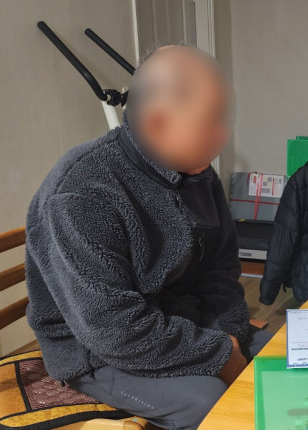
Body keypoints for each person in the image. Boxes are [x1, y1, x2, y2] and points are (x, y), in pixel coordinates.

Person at [25, 46, 271, 430]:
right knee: (210, 402)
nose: (223, 136)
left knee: (280, 358)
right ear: (157, 122)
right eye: (211, 122)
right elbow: (112, 329)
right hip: (98, 350)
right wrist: (220, 355)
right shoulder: (81, 191)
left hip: (181, 323)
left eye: (225, 119)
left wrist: (229, 336)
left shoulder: (197, 172)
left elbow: (221, 271)